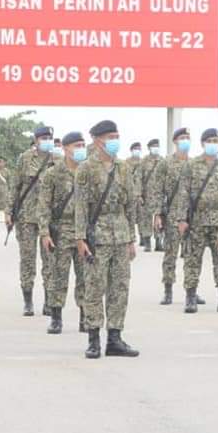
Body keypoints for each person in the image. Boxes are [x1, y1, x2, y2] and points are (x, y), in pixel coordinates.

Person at [75, 120, 139, 359]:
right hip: (96, 237)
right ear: (97, 140)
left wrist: (132, 238)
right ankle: (93, 339)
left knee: (120, 288)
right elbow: (80, 207)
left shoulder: (123, 168)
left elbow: (130, 204)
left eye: (117, 136)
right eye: (110, 136)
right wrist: (80, 239)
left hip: (121, 235)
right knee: (94, 288)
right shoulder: (86, 169)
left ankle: (115, 337)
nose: (115, 141)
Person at [39, 131, 88, 334]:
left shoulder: (89, 171)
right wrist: (44, 232)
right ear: (66, 148)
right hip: (61, 230)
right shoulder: (53, 173)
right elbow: (44, 204)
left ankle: (86, 318)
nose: (80, 149)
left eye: (82, 145)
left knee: (85, 276)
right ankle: (56, 317)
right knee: (58, 277)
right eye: (76, 145)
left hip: (84, 232)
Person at [176, 128, 218, 314]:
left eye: (216, 140)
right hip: (196, 222)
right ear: (203, 143)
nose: (213, 143)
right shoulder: (192, 165)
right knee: (192, 260)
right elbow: (183, 193)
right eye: (210, 140)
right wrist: (182, 219)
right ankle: (190, 297)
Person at [9, 126, 55, 315]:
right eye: (43, 137)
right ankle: (28, 301)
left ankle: (48, 301)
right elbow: (15, 185)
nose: (46, 140)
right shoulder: (25, 158)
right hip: (27, 217)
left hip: (49, 219)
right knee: (27, 260)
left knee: (50, 261)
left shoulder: (57, 160)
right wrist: (9, 211)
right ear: (36, 140)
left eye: (49, 137)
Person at [154, 128, 191, 305]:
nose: (185, 141)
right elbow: (157, 190)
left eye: (188, 138)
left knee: (192, 256)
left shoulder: (194, 164)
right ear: (175, 141)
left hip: (192, 218)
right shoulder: (166, 163)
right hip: (172, 217)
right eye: (182, 138)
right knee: (170, 254)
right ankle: (168, 289)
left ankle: (191, 290)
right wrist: (158, 214)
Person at [138, 139, 161, 251]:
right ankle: (147, 242)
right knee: (146, 219)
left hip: (159, 196)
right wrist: (138, 194)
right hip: (146, 195)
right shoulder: (144, 162)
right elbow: (138, 178)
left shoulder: (162, 161)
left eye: (157, 146)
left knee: (159, 217)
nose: (156, 148)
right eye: (153, 146)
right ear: (149, 148)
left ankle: (158, 241)